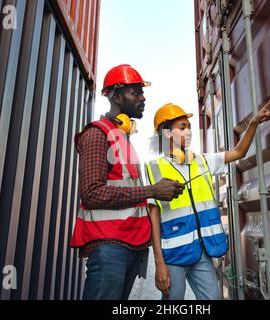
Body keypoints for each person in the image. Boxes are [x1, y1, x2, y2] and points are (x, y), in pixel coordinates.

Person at [70, 65, 185, 300]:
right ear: (117, 95)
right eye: (136, 93)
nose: (143, 98)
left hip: (131, 246)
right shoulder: (97, 134)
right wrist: (153, 190)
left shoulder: (122, 138)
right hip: (109, 248)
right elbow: (91, 193)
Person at [145, 98, 270, 300]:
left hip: (202, 253)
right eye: (182, 127)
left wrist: (253, 123)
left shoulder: (203, 161)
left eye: (189, 127)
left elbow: (239, 152)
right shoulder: (154, 168)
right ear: (166, 133)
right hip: (174, 256)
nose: (188, 132)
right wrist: (159, 262)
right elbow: (153, 218)